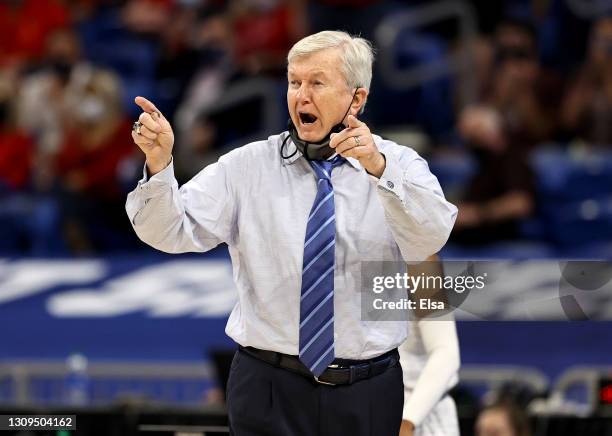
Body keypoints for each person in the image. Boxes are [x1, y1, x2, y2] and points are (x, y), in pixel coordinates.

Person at [126, 31, 457, 436]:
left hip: (367, 389)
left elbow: (430, 238)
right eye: (294, 81)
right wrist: (160, 168)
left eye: (317, 82)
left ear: (357, 98)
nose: (302, 95)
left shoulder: (399, 164)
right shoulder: (246, 167)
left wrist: (378, 169)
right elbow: (169, 231)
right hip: (267, 383)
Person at [398, 254, 460, 436]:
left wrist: (408, 420)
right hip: (371, 409)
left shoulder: (420, 261)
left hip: (421, 417)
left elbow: (446, 352)